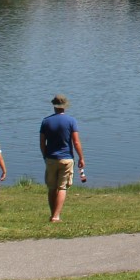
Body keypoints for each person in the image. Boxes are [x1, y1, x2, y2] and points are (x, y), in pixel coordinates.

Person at [39, 93, 85, 222]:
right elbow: (76, 142)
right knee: (62, 187)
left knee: (52, 188)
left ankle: (52, 213)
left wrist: (45, 155)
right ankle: (56, 216)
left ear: (54, 106)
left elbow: (42, 142)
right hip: (66, 158)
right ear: (65, 107)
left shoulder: (46, 121)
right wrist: (81, 157)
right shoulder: (71, 121)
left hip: (50, 158)